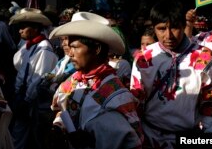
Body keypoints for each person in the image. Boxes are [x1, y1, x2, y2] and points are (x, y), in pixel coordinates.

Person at [130, 0, 212, 149]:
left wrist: (207, 136)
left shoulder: (205, 56)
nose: (168, 35)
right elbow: (135, 101)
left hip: (189, 137)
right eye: (162, 28)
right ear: (154, 28)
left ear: (184, 25)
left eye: (175, 27)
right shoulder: (144, 57)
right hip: (149, 136)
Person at [49, 11, 143, 149]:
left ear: (97, 49)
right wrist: (58, 127)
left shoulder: (118, 95)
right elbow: (60, 110)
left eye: (74, 47)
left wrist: (92, 140)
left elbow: (131, 142)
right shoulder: (73, 81)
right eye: (69, 47)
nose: (69, 53)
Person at [9, 8, 58, 149]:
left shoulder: (44, 48)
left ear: (35, 28)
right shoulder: (28, 46)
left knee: (34, 136)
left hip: (32, 100)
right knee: (20, 133)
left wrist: (26, 99)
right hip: (23, 95)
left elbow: (38, 78)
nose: (20, 30)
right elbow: (19, 66)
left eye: (24, 27)